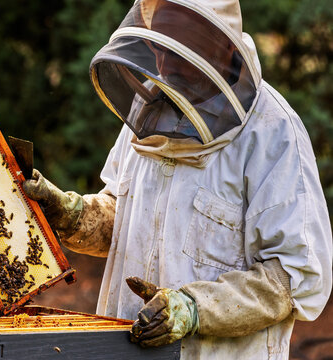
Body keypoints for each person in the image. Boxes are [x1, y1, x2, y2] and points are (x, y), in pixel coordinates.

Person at [23, 0, 332, 358]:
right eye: (158, 46)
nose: (164, 66)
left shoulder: (273, 134)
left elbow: (295, 278)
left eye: (178, 49)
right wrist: (70, 213)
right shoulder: (152, 112)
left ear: (221, 45)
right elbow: (122, 218)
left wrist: (194, 307)